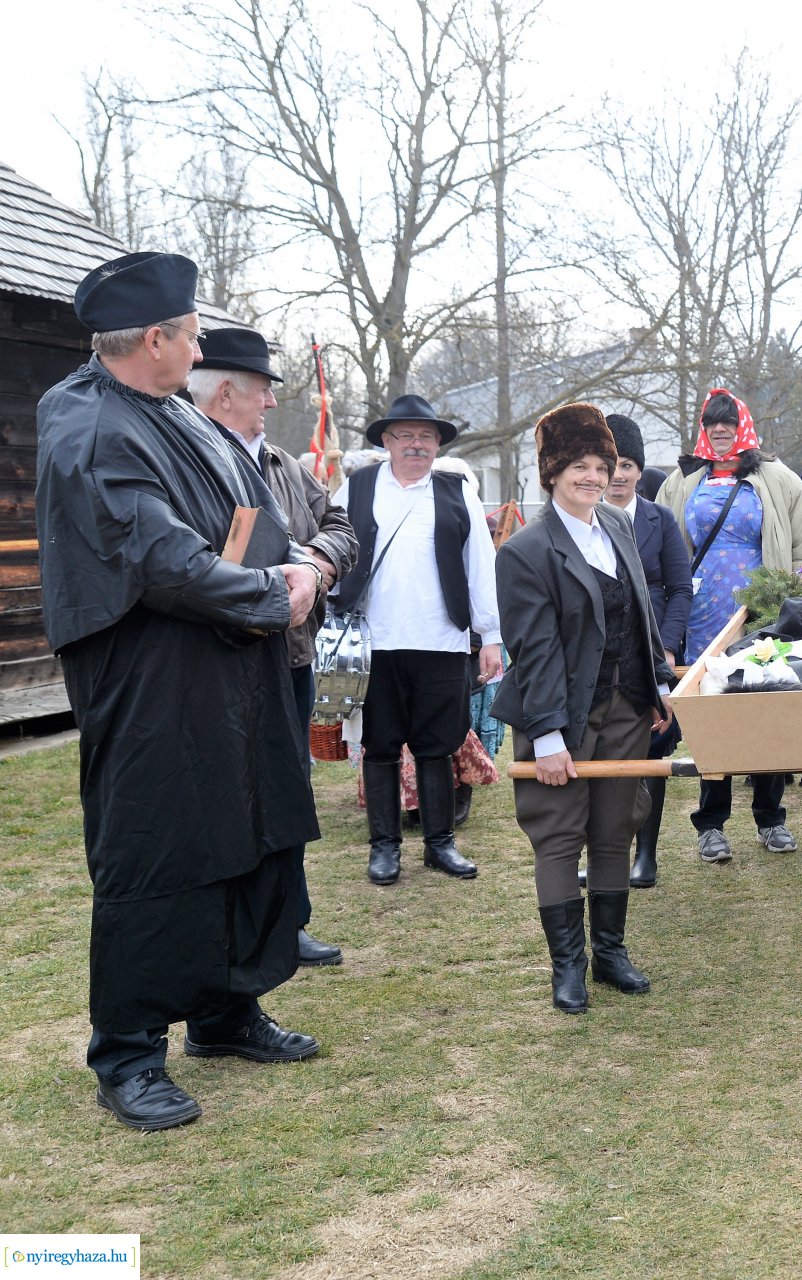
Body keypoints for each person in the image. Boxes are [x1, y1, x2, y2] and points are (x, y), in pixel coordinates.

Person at [38, 252, 326, 1131]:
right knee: (159, 850)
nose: (200, 346)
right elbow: (156, 556)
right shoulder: (87, 422)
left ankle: (225, 1011)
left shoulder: (171, 411)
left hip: (233, 662)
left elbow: (248, 510)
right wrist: (275, 594)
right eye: (194, 333)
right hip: (155, 678)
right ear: (156, 337)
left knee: (247, 828)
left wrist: (295, 567)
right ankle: (128, 1053)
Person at [493, 405, 676, 1012]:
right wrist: (546, 736)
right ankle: (567, 966)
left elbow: (643, 615)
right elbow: (535, 649)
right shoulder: (525, 551)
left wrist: (659, 685)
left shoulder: (617, 528)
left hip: (625, 709)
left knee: (613, 829)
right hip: (561, 716)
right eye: (579, 466)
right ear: (551, 473)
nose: (594, 477)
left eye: (602, 466)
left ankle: (611, 952)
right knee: (559, 835)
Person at [191, 327, 360, 968]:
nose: (269, 402)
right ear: (227, 390)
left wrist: (316, 564)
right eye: (262, 389)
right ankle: (233, 928)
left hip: (289, 657)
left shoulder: (285, 465)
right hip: (218, 666)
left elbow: (341, 526)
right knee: (230, 797)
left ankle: (288, 921)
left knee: (291, 787)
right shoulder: (188, 460)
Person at [333, 394, 503, 885]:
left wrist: (489, 635)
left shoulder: (456, 492)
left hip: (442, 638)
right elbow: (334, 550)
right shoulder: (357, 488)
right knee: (381, 746)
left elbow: (480, 566)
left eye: (425, 436)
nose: (415, 444)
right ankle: (384, 847)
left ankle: (440, 844)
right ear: (386, 441)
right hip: (375, 641)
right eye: (405, 436)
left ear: (437, 444)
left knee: (438, 746)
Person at [657, 389, 802, 862]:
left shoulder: (777, 478)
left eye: (728, 423)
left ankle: (771, 817)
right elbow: (666, 544)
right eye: (712, 424)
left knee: (766, 709)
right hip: (702, 612)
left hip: (760, 612)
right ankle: (711, 824)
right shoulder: (683, 480)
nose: (720, 431)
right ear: (703, 428)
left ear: (743, 426)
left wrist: (796, 599)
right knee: (714, 717)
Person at [597, 412, 693, 889]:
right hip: (600, 657)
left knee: (652, 751)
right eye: (611, 463)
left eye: (629, 464)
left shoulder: (660, 520)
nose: (618, 475)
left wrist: (670, 649)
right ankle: (601, 853)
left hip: (653, 654)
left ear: (639, 470)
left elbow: (679, 589)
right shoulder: (583, 519)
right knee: (601, 755)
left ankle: (645, 852)